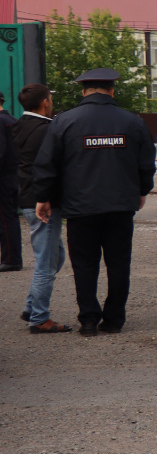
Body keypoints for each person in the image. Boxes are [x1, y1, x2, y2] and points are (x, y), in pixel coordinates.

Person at [31, 69, 156, 336]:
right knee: (119, 263)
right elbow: (146, 163)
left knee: (85, 265)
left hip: (80, 207)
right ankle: (114, 320)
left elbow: (47, 164)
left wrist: (43, 197)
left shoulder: (64, 122)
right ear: (112, 91)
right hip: (121, 206)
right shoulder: (132, 122)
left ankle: (88, 320)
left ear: (83, 91)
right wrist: (142, 190)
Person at [14, 85, 68, 332]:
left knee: (55, 256)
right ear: (45, 103)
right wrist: (45, 197)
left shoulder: (17, 126)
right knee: (46, 263)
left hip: (26, 197)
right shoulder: (47, 129)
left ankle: (31, 307)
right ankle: (39, 318)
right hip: (42, 202)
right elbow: (49, 167)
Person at [0, 92, 18, 271]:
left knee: (4, 220)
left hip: (3, 177)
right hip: (13, 175)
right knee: (9, 217)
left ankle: (10, 259)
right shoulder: (12, 120)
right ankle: (11, 257)